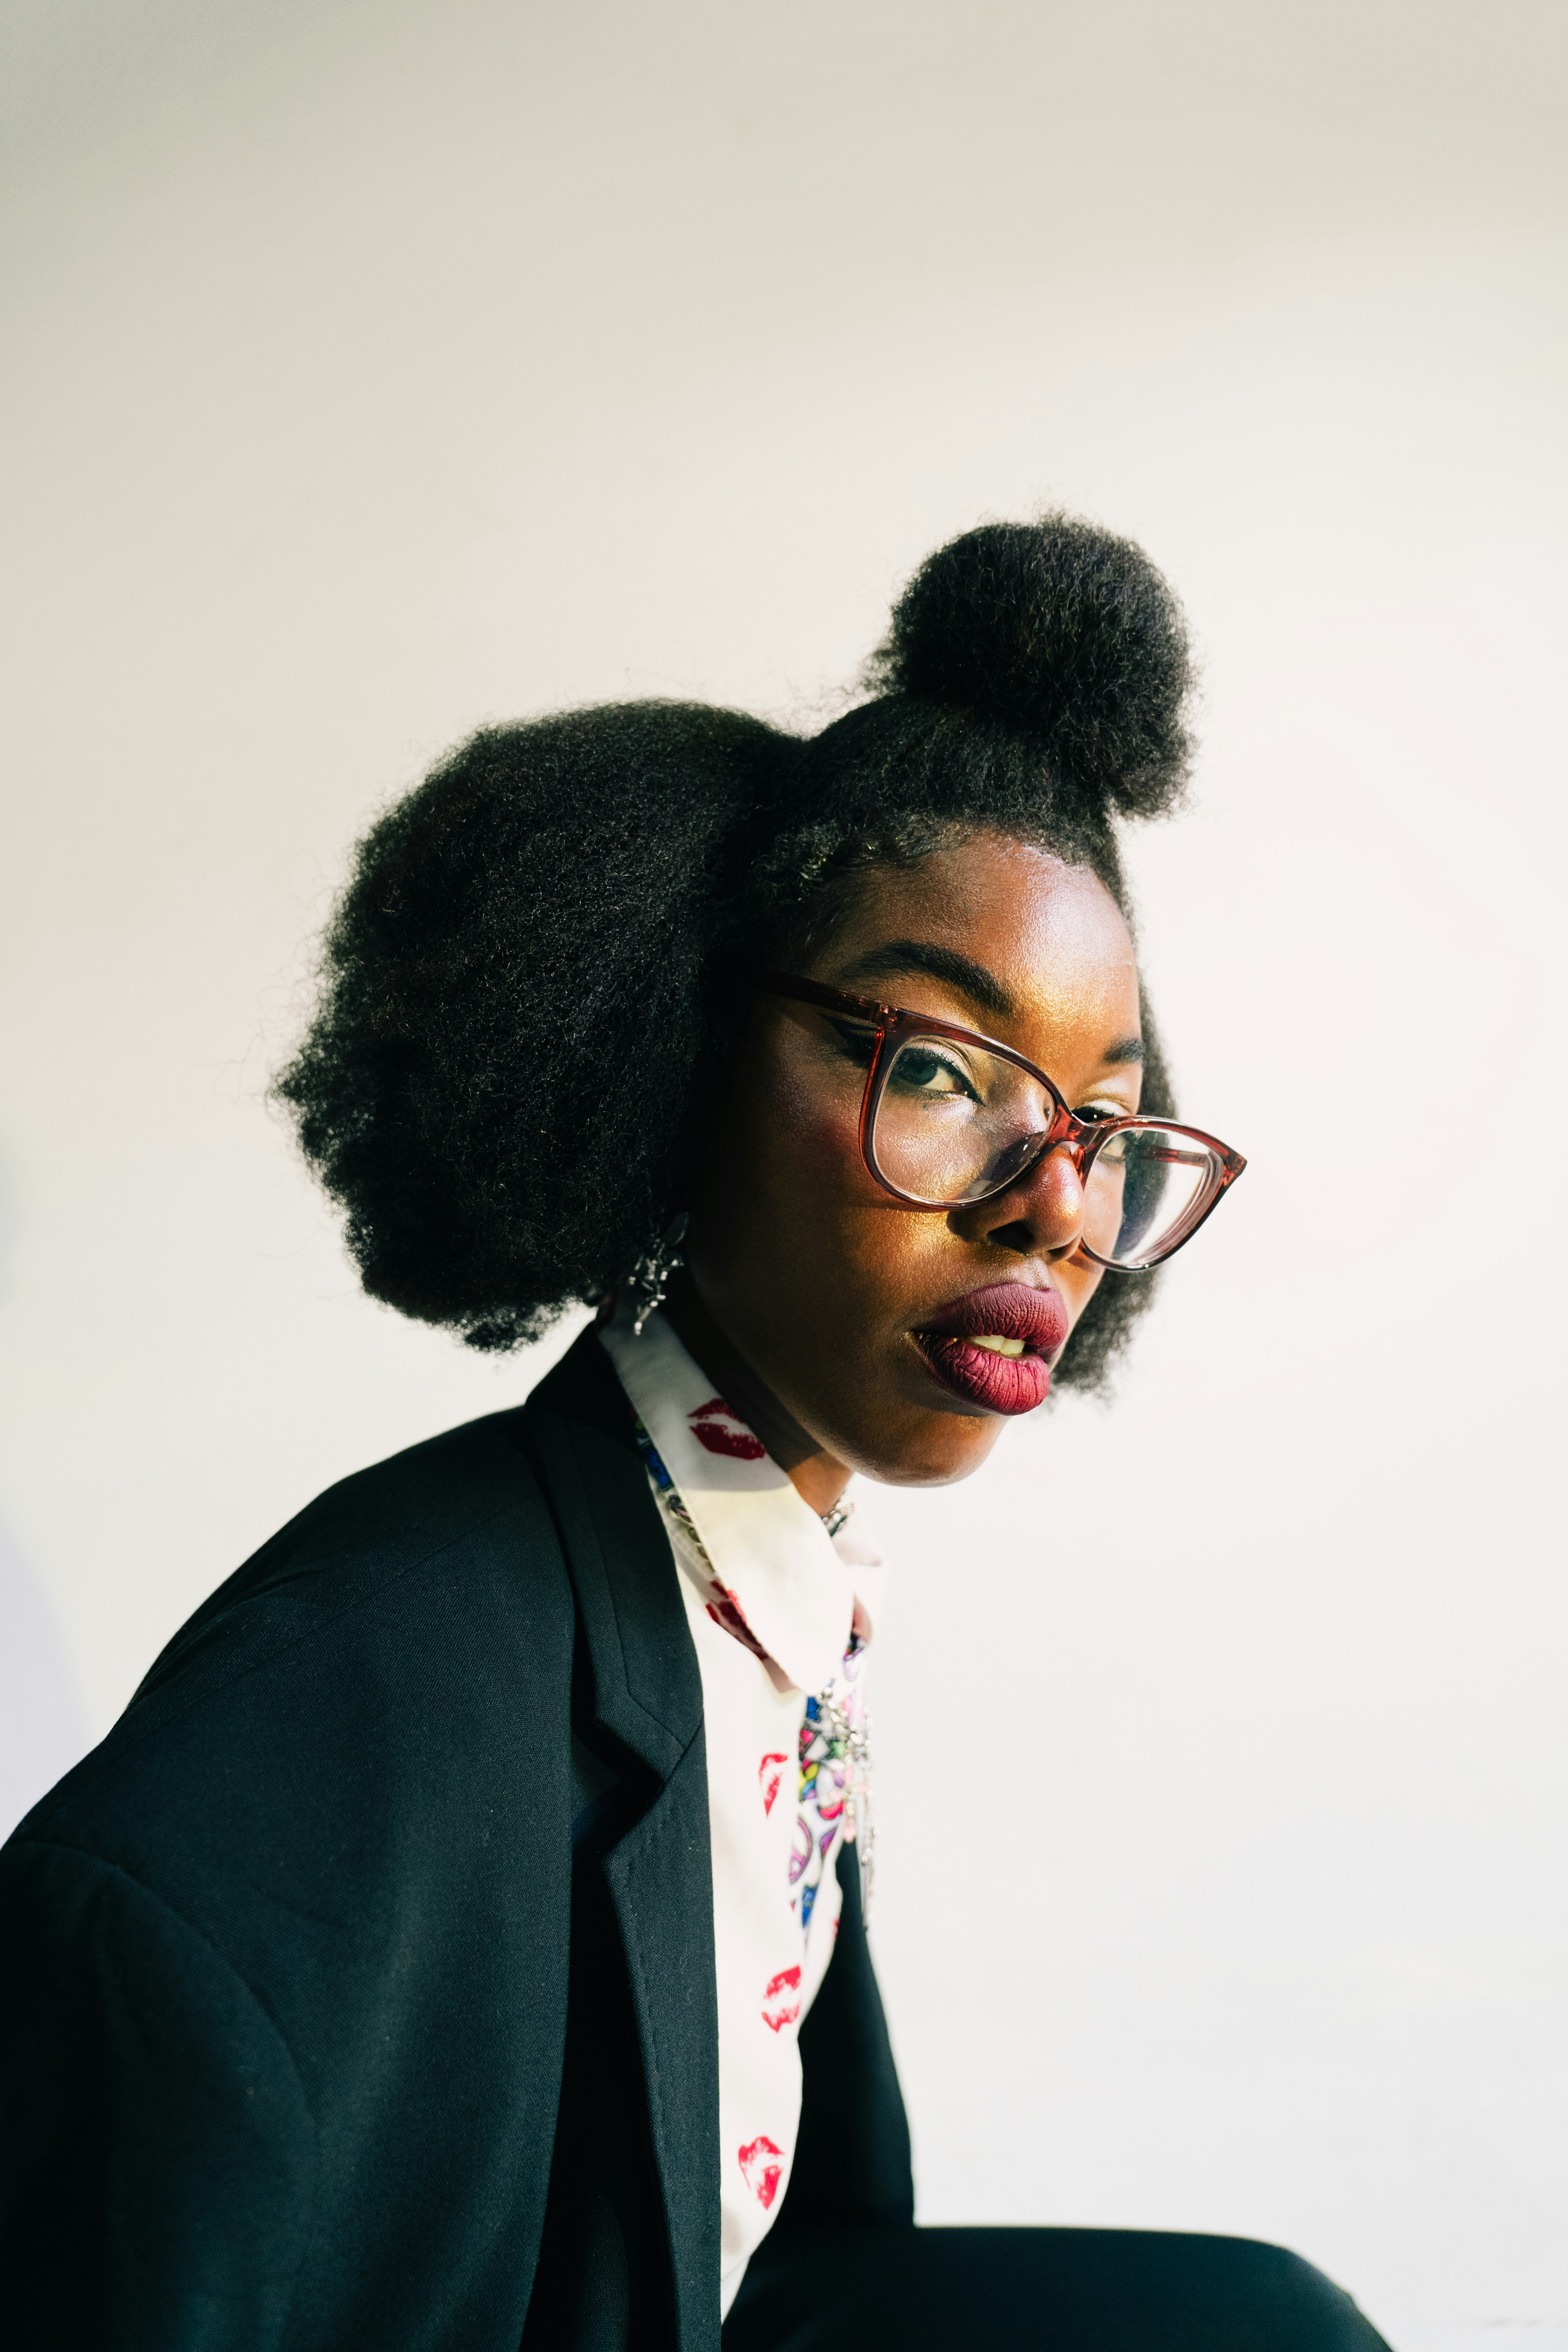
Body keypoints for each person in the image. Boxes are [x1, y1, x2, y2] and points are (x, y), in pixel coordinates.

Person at [0, 517, 1387, 2350]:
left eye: (1106, 1125)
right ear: (670, 1047)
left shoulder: (757, 1588)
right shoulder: (363, 1701)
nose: (1055, 1205)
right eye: (947, 1070)